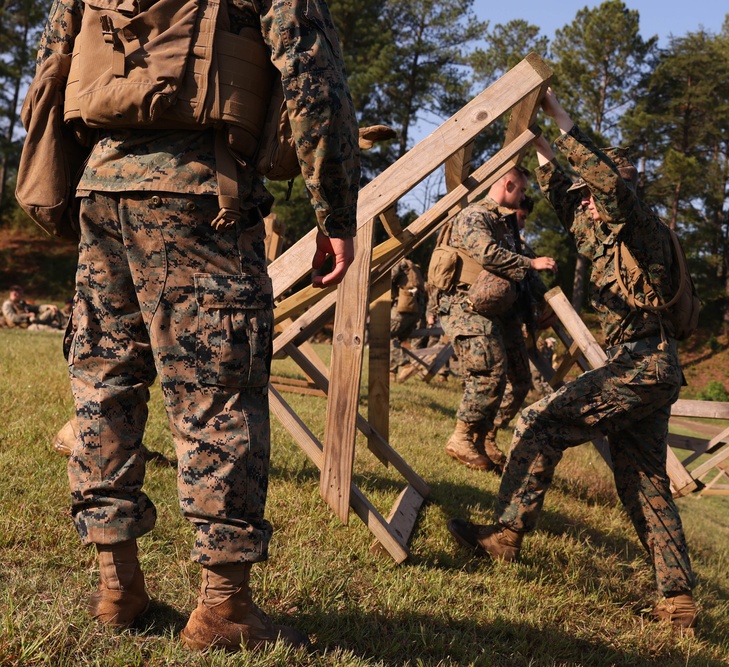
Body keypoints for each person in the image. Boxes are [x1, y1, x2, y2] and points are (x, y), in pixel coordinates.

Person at [32, 0, 359, 651]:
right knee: (217, 390)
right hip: (201, 192)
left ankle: (117, 583)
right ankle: (225, 607)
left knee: (105, 385)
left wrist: (70, 185)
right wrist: (337, 211)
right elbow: (312, 73)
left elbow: (51, 67)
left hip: (104, 188)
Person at [448, 89, 698, 633]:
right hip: (651, 369)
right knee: (646, 483)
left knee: (541, 422)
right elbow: (566, 197)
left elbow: (605, 183)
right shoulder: (605, 232)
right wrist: (535, 140)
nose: (585, 203)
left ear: (614, 192)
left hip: (642, 362)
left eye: (593, 195)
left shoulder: (643, 227)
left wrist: (561, 118)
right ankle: (678, 603)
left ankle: (506, 536)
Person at [436, 166, 557, 473]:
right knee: (489, 371)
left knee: (520, 379)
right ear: (508, 184)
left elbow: (527, 278)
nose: (523, 197)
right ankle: (463, 437)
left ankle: (485, 437)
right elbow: (488, 254)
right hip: (467, 306)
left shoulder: (507, 227)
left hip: (501, 311)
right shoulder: (476, 215)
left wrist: (543, 305)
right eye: (522, 190)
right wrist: (531, 262)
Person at [389, 257, 428, 382]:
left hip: (405, 307)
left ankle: (406, 364)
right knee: (395, 340)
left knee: (384, 335)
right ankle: (391, 373)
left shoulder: (398, 262)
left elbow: (386, 279)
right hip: (416, 309)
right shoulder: (411, 265)